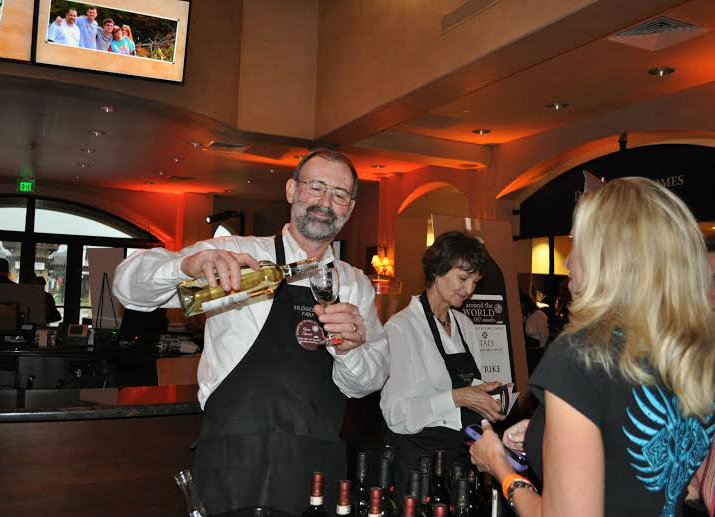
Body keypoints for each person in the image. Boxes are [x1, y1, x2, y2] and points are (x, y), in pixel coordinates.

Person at [113, 148, 389, 515]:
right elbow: (128, 287)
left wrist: (349, 348)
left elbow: (368, 382)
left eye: (339, 194)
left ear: (350, 208)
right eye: (316, 187)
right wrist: (187, 265)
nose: (326, 202)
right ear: (291, 190)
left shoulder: (355, 285)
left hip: (316, 466)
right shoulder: (236, 254)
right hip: (233, 460)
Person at [469, 178, 715, 517]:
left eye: (578, 244)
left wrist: (500, 467)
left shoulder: (582, 355)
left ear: (608, 259)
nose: (568, 261)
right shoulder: (694, 353)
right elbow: (676, 483)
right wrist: (554, 433)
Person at [380, 231, 506, 500]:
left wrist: (491, 402)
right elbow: (395, 414)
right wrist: (458, 397)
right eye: (463, 278)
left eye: (474, 281)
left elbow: (472, 390)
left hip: (460, 460)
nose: (469, 290)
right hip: (419, 463)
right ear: (438, 270)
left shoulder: (466, 326)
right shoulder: (402, 328)